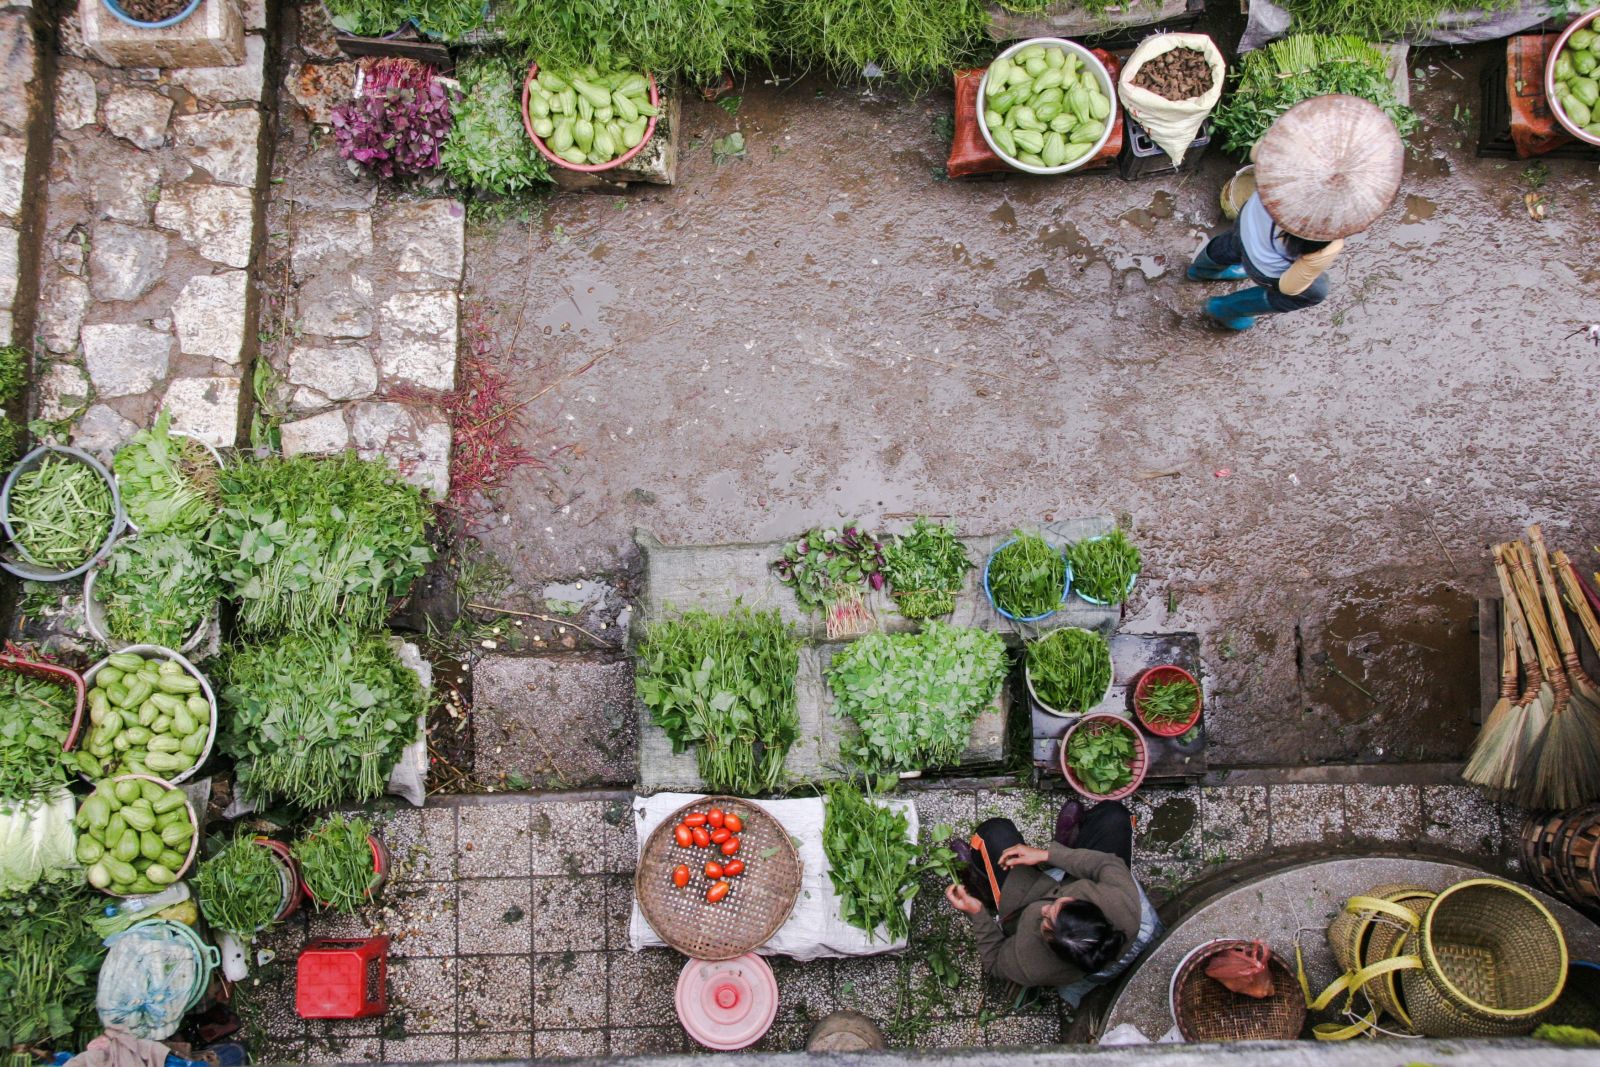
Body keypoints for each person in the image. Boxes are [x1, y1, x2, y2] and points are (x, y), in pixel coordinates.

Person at [1187, 94, 1404, 332]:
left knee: (1231, 244)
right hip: (1263, 263)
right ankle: (1225, 309)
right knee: (1314, 292)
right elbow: (1290, 287)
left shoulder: (1282, 162)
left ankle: (1199, 271)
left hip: (1247, 222)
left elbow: (1257, 153)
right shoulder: (1326, 241)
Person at [945, 799, 1160, 1005]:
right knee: (1114, 816)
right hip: (1070, 879)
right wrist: (1048, 855)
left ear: (1051, 947)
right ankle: (1069, 843)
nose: (1045, 908)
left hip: (1026, 897)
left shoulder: (1033, 963)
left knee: (994, 832)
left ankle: (981, 886)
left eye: (1046, 922)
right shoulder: (1120, 900)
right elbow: (1106, 864)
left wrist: (977, 912)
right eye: (1058, 906)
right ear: (1085, 905)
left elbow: (993, 960)